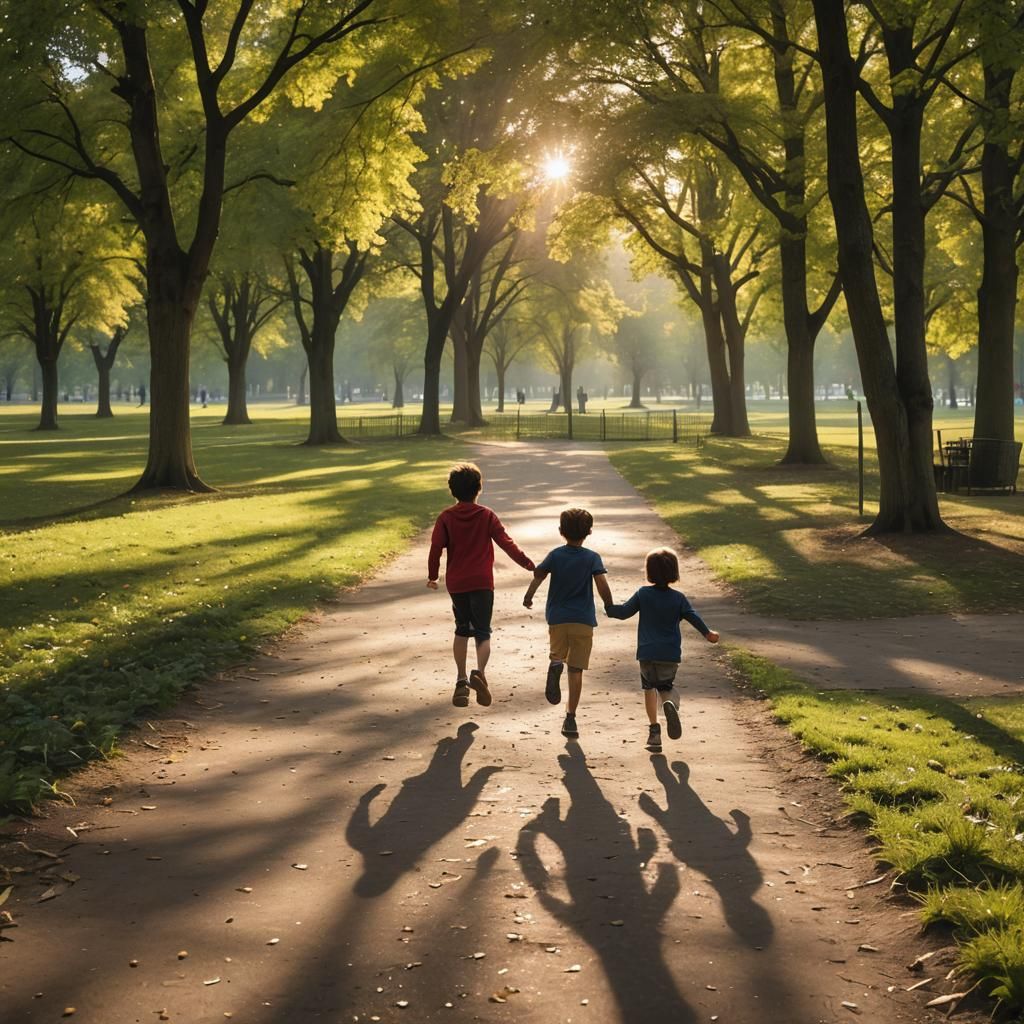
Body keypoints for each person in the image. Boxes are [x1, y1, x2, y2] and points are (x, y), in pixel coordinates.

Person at [428, 462, 535, 709]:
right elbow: (506, 543)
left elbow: (436, 549)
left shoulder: (445, 517)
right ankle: (480, 673)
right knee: (483, 632)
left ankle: (461, 680)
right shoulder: (486, 515)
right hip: (482, 582)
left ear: (452, 490)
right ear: (479, 488)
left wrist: (433, 576)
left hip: (457, 583)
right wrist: (528, 564)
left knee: (461, 629)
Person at [605, 548, 719, 753]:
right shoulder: (679, 598)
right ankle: (670, 705)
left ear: (649, 571)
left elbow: (623, 613)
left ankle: (654, 732)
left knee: (649, 689)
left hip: (647, 653)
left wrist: (608, 607)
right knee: (666, 688)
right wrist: (708, 633)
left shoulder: (643, 594)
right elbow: (693, 617)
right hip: (669, 653)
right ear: (674, 572)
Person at [523, 508, 613, 739]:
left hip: (558, 618)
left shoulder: (555, 555)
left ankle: (555, 664)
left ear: (561, 531)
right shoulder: (592, 557)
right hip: (583, 620)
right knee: (576, 670)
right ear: (589, 532)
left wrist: (529, 596)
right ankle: (571, 717)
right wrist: (609, 605)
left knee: (558, 654)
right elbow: (601, 583)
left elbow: (539, 575)